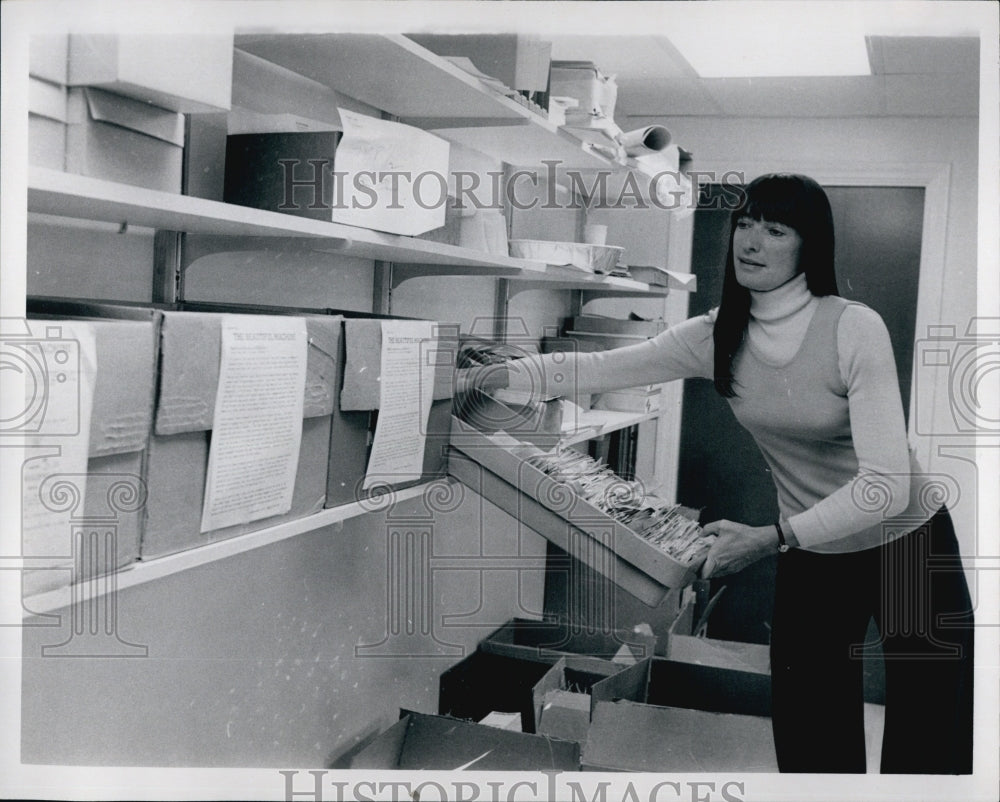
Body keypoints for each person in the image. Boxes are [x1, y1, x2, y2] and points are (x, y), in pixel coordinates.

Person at [458, 173, 974, 774]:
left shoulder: (853, 326)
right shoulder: (716, 334)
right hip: (816, 549)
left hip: (907, 542)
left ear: (809, 247)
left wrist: (771, 539)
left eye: (775, 230)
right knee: (810, 728)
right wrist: (492, 375)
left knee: (933, 724)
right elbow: (601, 366)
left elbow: (885, 486)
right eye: (745, 224)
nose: (751, 241)